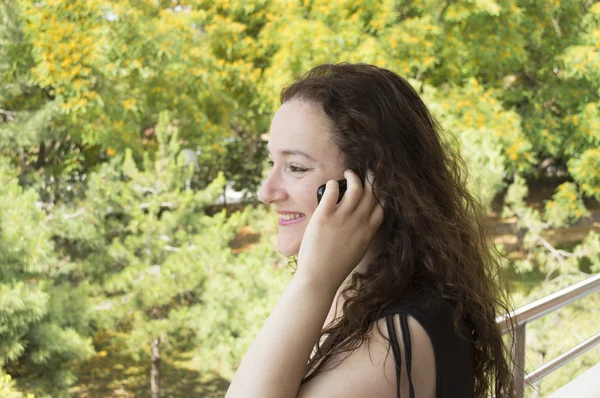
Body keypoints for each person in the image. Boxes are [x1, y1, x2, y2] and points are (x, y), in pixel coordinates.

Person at [225, 63, 515, 398]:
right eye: (270, 163)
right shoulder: (360, 293)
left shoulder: (391, 344)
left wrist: (311, 280)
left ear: (370, 185)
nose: (266, 191)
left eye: (296, 167)